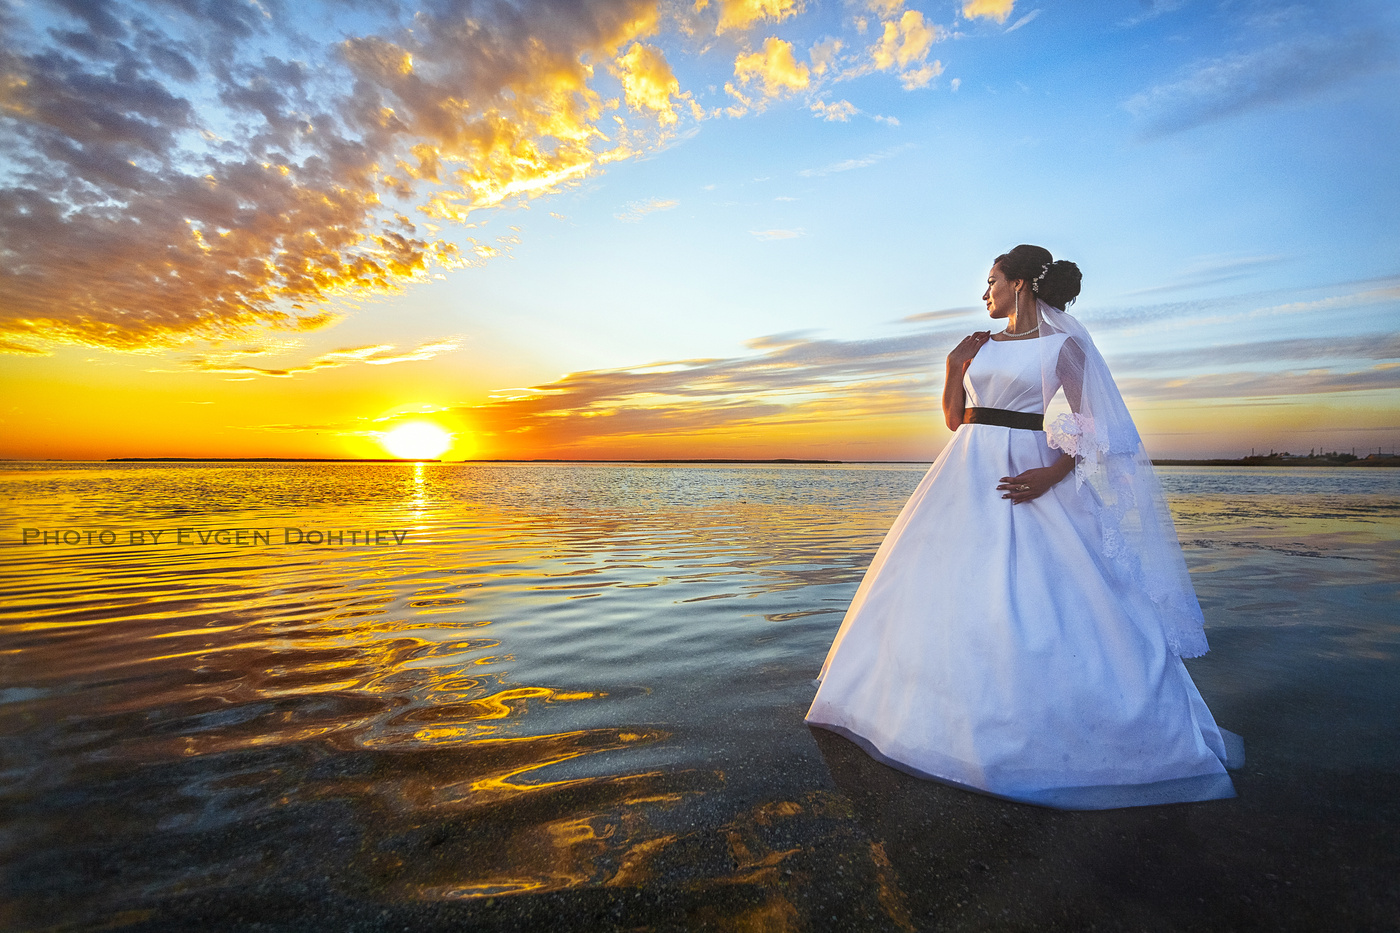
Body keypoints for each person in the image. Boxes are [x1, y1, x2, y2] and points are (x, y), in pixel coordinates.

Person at [805, 244, 1243, 809]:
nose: (984, 293)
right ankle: (928, 724)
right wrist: (952, 369)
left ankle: (1063, 734)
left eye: (991, 280)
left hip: (1030, 468)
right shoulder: (979, 344)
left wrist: (1054, 472)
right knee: (943, 586)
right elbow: (955, 420)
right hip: (965, 469)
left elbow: (1089, 425)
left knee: (1046, 591)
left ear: (1020, 285)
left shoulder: (1064, 347)